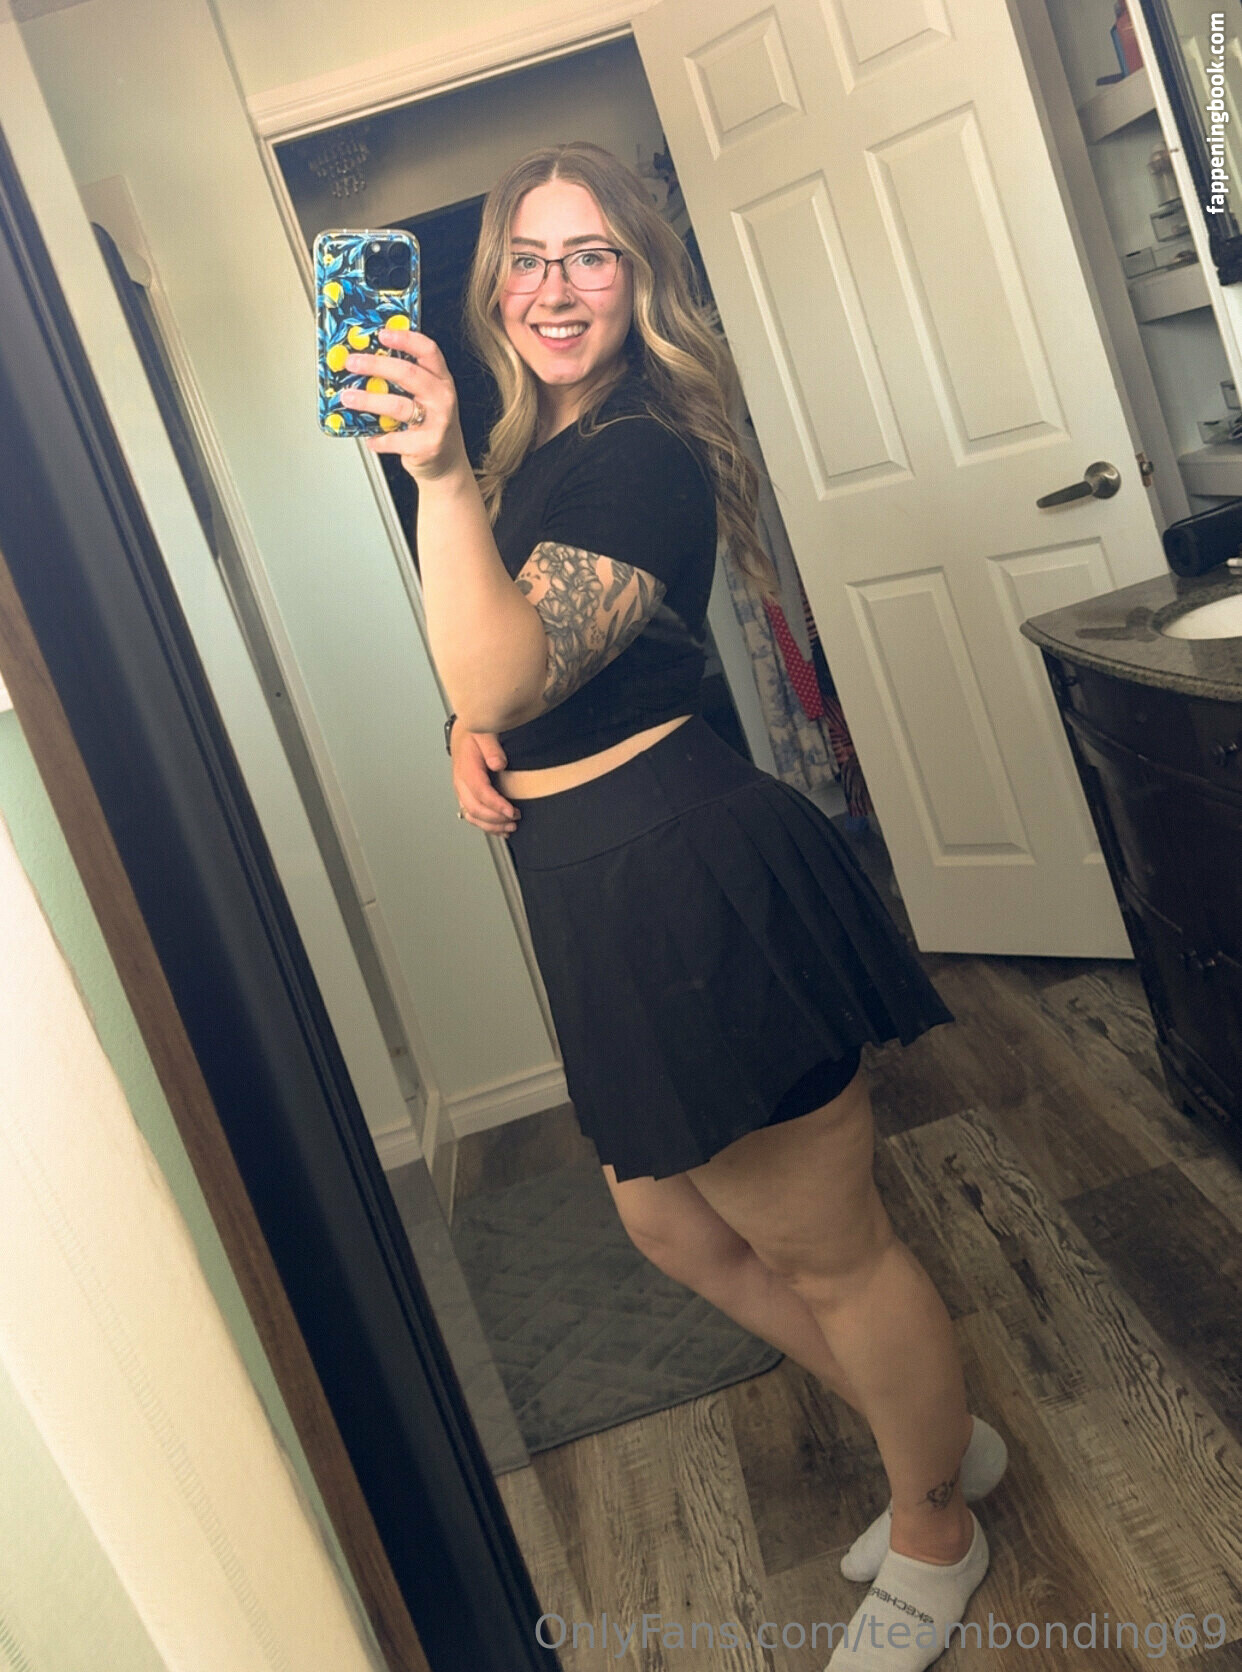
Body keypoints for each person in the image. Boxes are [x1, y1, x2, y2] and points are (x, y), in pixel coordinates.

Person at [338, 140, 1005, 1672]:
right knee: (667, 1223)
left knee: (830, 1249)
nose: (555, 286)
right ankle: (934, 1439)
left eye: (591, 254)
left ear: (638, 278)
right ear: (492, 285)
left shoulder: (634, 451)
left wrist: (431, 482)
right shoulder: (539, 456)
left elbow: (509, 668)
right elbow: (507, 665)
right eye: (527, 256)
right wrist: (463, 729)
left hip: (685, 874)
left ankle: (935, 1527)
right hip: (590, 885)